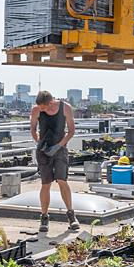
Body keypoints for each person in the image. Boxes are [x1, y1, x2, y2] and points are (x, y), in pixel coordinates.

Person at [30, 91, 80, 233]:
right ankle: (44, 217)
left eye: (43, 108)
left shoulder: (65, 108)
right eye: (40, 108)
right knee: (45, 183)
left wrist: (60, 145)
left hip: (60, 149)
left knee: (62, 180)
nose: (41, 110)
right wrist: (40, 143)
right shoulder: (36, 110)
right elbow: (33, 129)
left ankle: (71, 215)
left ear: (50, 103)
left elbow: (71, 131)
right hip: (44, 151)